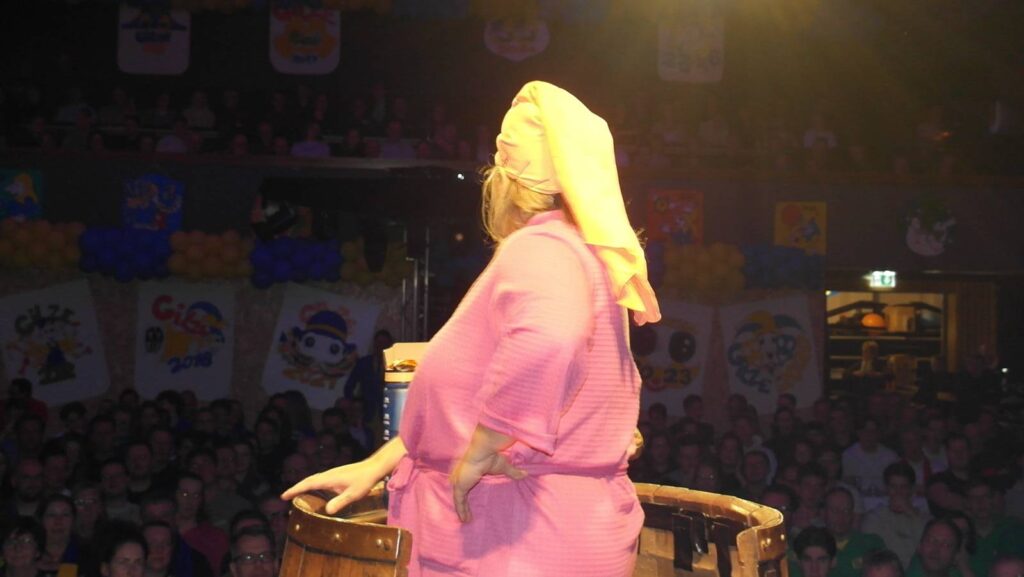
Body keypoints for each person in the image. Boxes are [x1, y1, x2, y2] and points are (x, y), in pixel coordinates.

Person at [284, 80, 660, 576]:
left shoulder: (545, 247)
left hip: (513, 533)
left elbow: (549, 344)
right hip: (542, 526)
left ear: (507, 178)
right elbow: (479, 397)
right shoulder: (584, 255)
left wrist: (483, 450)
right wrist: (381, 463)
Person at [863, 462, 930, 568]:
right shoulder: (874, 518)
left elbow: (928, 550)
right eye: (893, 486)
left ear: (912, 489)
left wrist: (913, 515)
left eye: (903, 487)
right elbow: (871, 555)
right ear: (886, 488)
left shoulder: (925, 519)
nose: (898, 492)